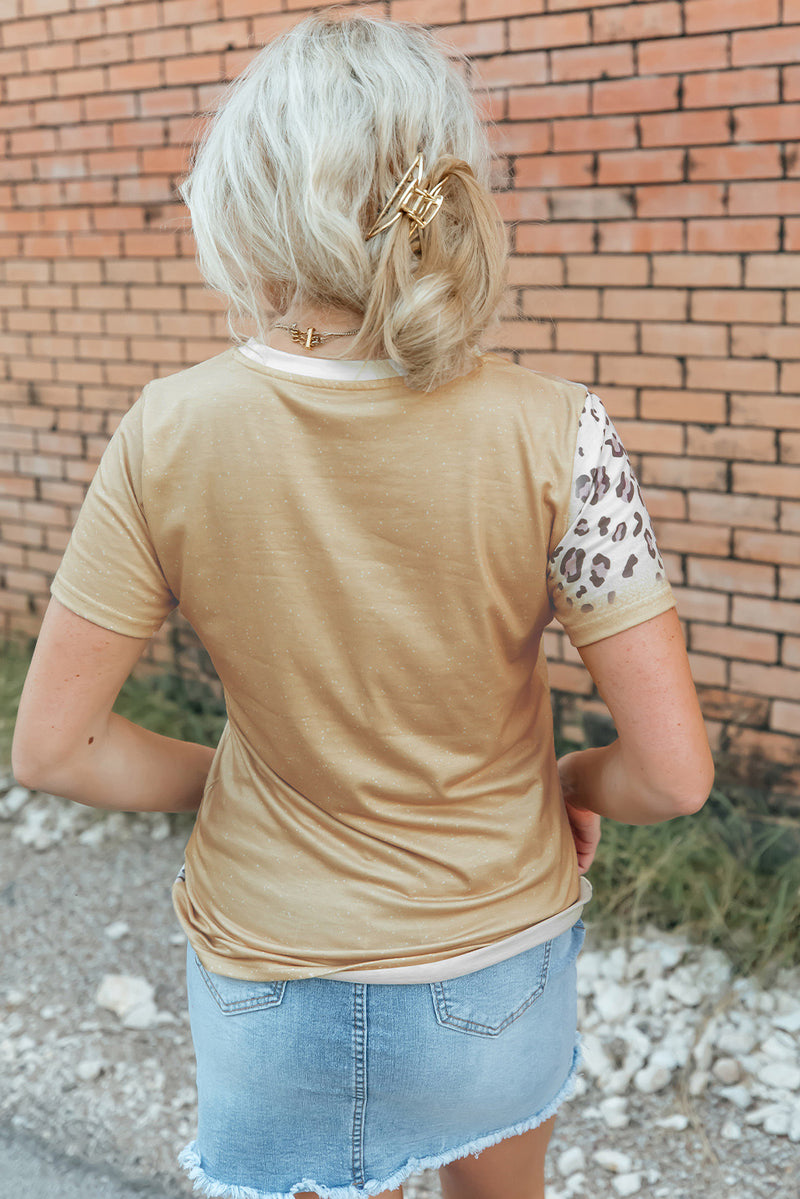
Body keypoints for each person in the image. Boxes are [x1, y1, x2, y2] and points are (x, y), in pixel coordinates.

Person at [11, 11, 714, 1199]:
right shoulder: (560, 430)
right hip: (495, 961)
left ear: (245, 196)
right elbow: (674, 775)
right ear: (440, 190)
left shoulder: (165, 431)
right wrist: (559, 788)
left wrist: (237, 773)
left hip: (270, 971)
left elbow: (54, 748)